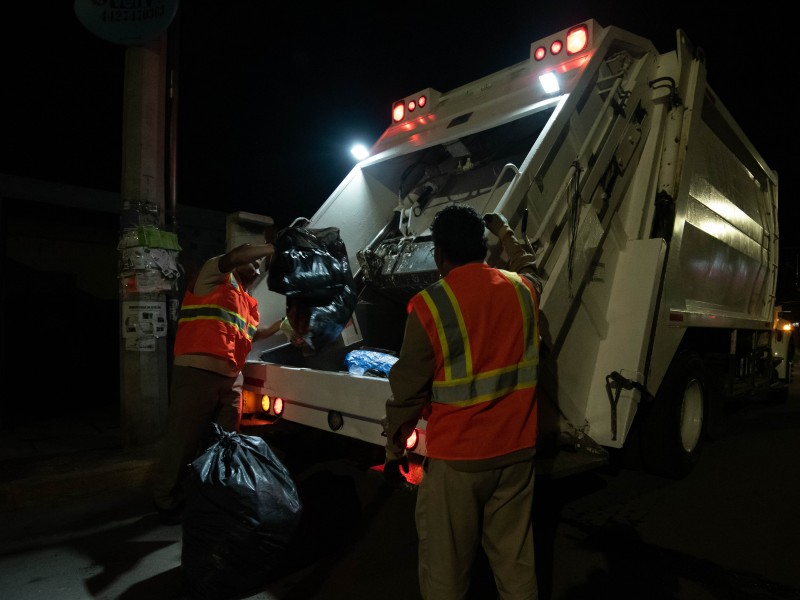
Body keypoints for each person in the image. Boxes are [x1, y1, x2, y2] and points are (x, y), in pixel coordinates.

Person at [382, 204, 542, 600]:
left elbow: (408, 389)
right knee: (516, 566)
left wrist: (392, 448)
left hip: (459, 460)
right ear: (482, 247)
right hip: (518, 452)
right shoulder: (523, 290)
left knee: (446, 573)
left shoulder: (430, 305)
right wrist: (505, 230)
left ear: (439, 254)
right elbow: (533, 268)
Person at [152, 236, 283, 525]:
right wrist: (274, 247)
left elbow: (252, 334)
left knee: (226, 443)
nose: (255, 263)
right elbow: (235, 257)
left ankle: (213, 495)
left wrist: (281, 326)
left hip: (230, 379)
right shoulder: (214, 274)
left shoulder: (249, 303)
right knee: (183, 440)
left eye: (259, 262)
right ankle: (165, 499)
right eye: (251, 257)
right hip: (197, 374)